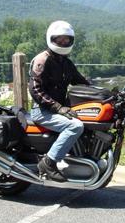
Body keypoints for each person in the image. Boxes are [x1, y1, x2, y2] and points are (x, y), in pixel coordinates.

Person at [29, 20, 90, 182]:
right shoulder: (42, 60)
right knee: (75, 125)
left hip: (57, 109)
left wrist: (103, 93)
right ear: (51, 39)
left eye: (67, 39)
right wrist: (58, 107)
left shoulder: (66, 63)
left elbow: (81, 81)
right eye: (60, 39)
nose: (63, 42)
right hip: (42, 111)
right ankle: (49, 163)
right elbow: (35, 90)